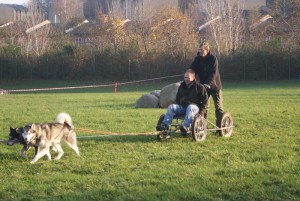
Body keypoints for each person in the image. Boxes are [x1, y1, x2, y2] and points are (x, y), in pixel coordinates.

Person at [156, 69, 208, 134]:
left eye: (188, 78)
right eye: (185, 77)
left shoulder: (200, 87)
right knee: (171, 106)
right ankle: (165, 125)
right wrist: (178, 106)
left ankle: (186, 127)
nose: (186, 79)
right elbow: (178, 98)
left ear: (193, 77)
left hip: (194, 108)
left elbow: (205, 102)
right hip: (183, 107)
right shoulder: (182, 86)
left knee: (190, 107)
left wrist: (201, 113)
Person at [189, 42, 224, 130]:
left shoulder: (213, 59)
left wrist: (208, 83)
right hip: (204, 87)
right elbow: (192, 69)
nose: (200, 51)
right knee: (203, 107)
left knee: (218, 107)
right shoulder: (197, 59)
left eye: (202, 49)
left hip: (215, 86)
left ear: (207, 50)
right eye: (199, 49)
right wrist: (188, 75)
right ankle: (202, 126)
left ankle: (220, 127)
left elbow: (213, 73)